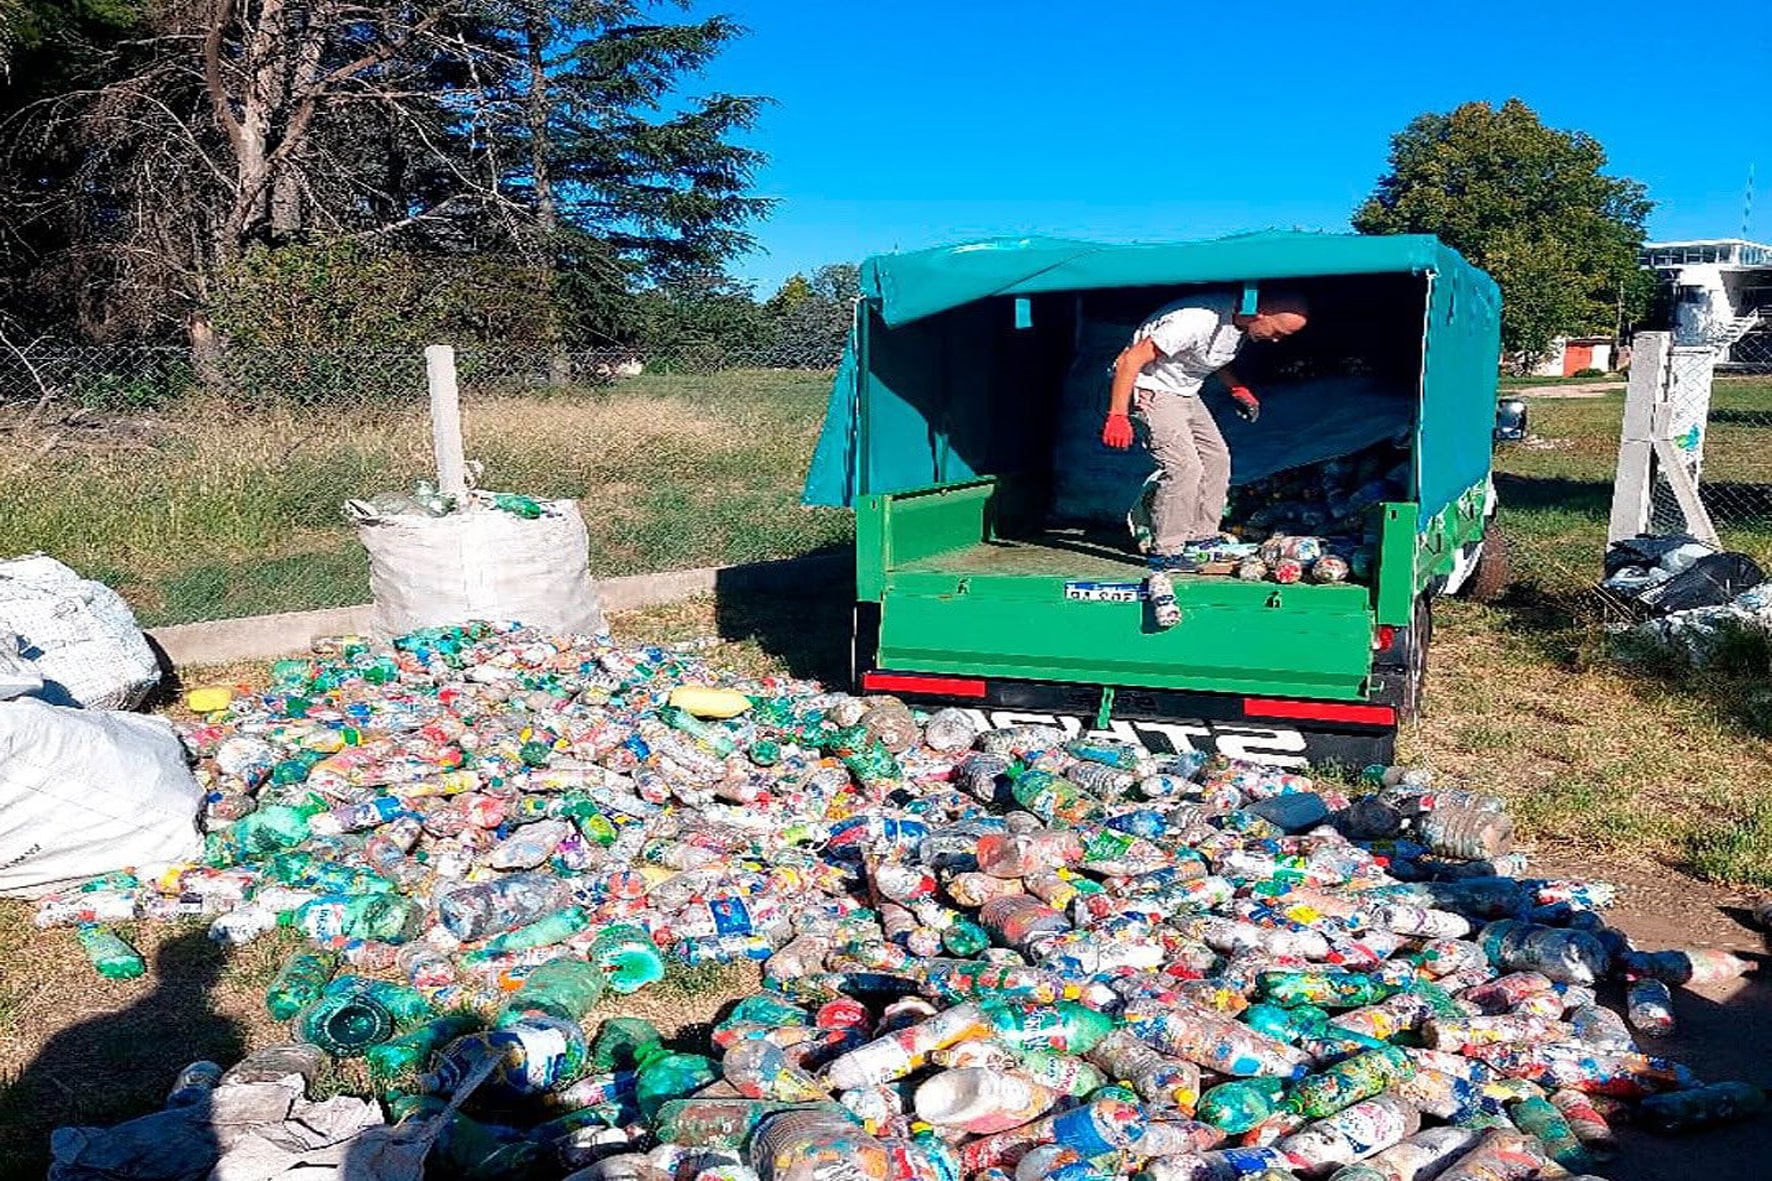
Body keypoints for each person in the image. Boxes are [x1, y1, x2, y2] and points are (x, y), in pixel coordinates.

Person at [1101, 291, 1309, 572]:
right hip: (1151, 389)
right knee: (1184, 468)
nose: (1275, 340)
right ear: (1261, 312)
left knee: (1216, 458)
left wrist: (1236, 388)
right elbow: (1130, 360)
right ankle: (1166, 552)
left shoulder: (1241, 326)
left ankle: (1201, 538)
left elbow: (1215, 356)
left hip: (1184, 392)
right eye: (1278, 332)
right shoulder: (1195, 321)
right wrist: (1117, 414)